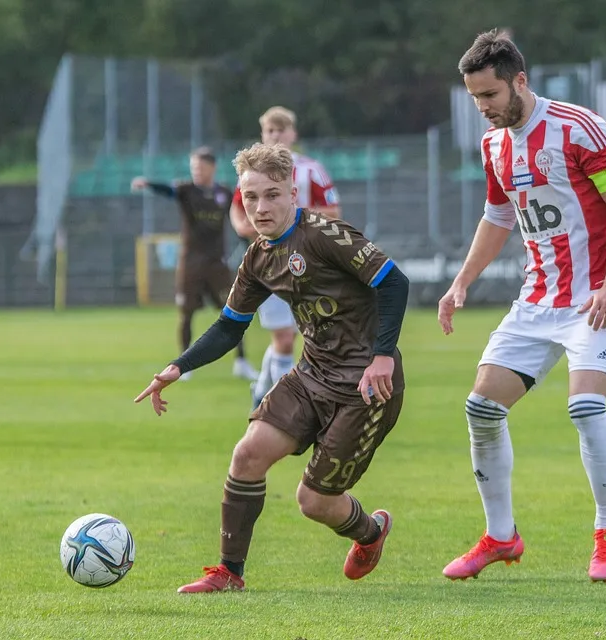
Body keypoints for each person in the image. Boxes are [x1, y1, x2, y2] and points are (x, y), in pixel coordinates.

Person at [135, 142, 408, 593]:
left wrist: (382, 356)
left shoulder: (325, 236)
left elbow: (394, 281)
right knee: (247, 455)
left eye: (272, 195)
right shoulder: (259, 257)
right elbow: (228, 327)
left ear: (293, 194)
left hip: (366, 385)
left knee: (314, 501)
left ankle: (371, 533)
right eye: (250, 197)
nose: (260, 208)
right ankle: (229, 573)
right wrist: (177, 367)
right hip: (312, 376)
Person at [438, 29, 606, 583]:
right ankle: (500, 537)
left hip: (597, 297)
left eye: (490, 96)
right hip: (537, 297)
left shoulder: (579, 127)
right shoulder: (494, 144)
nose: (483, 109)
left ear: (519, 81)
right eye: (475, 98)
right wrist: (462, 282)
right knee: (480, 408)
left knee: (585, 409)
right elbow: (499, 216)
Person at [229, 106, 342, 408]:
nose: (276, 135)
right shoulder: (252, 174)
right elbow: (238, 208)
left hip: (308, 263)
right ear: (262, 134)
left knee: (300, 338)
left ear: (293, 134)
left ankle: (262, 392)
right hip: (271, 260)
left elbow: (333, 211)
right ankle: (277, 407)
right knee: (283, 339)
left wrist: (295, 221)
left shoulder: (309, 169)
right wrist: (247, 228)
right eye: (270, 130)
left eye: (281, 130)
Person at [131, 146, 258, 382]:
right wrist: (148, 184)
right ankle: (184, 366)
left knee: (235, 311)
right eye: (193, 167)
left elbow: (238, 218)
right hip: (191, 264)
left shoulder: (224, 193)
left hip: (217, 264)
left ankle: (241, 361)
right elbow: (168, 190)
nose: (196, 171)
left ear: (212, 167)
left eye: (200, 167)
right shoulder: (186, 190)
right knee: (186, 313)